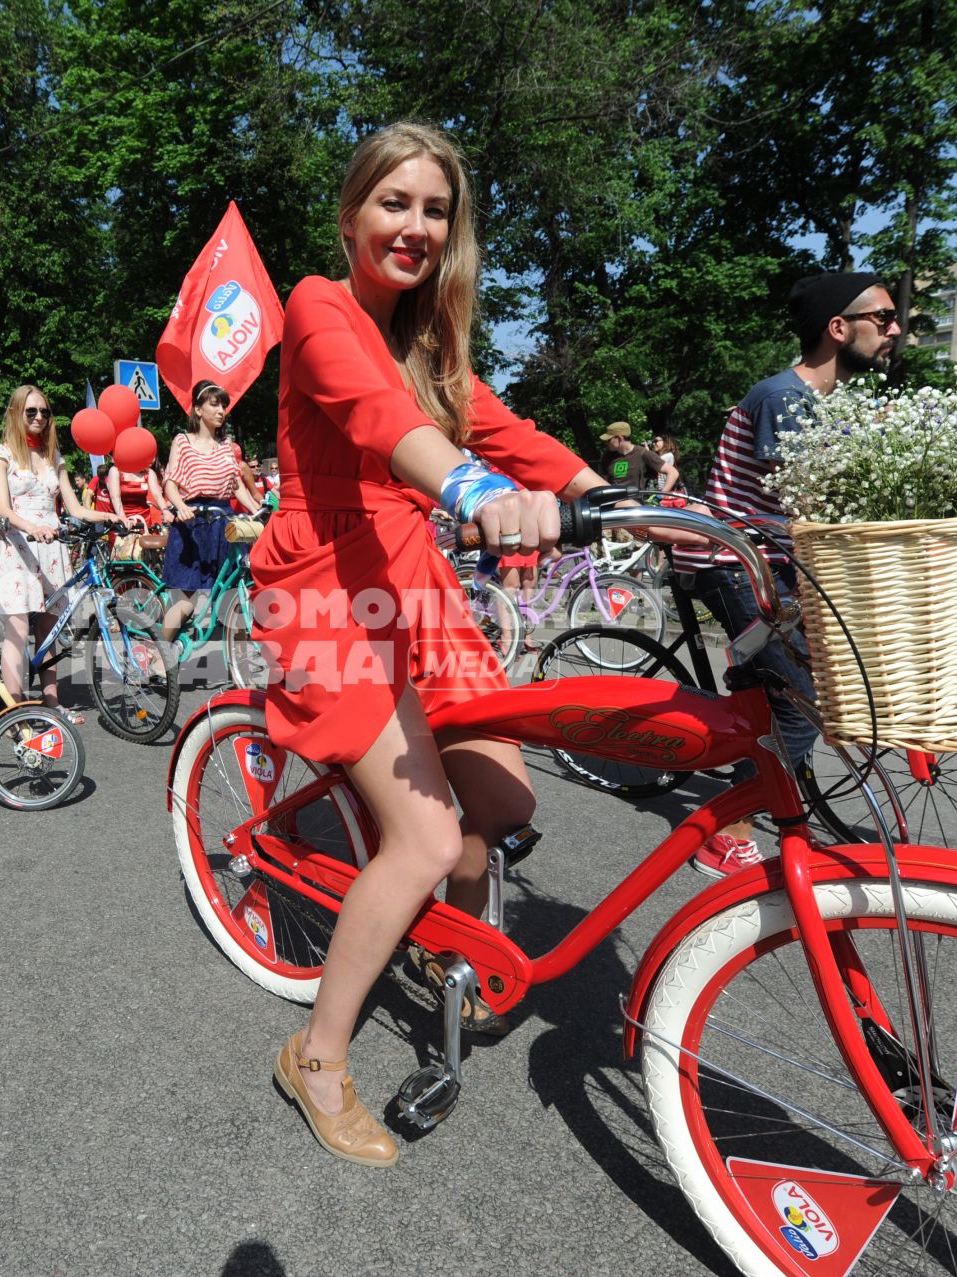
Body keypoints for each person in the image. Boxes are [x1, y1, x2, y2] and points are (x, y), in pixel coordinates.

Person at [250, 122, 602, 1166]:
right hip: (325, 597)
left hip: (417, 588)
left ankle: (439, 942)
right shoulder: (317, 305)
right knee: (432, 840)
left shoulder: (432, 344)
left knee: (503, 801)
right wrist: (472, 486)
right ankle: (316, 1054)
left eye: (434, 209)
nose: (413, 225)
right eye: (392, 202)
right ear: (353, 211)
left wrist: (608, 494)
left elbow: (501, 428)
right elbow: (373, 416)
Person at [672, 270, 900, 876]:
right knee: (801, 704)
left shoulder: (818, 402)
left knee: (775, 696)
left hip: (774, 565)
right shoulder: (784, 397)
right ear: (838, 327)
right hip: (738, 564)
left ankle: (765, 786)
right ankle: (726, 832)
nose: (894, 330)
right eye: (882, 318)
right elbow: (812, 493)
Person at [0, 384, 125, 718]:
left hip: (51, 547)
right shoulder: (1, 454)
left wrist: (113, 515)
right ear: (16, 413)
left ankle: (51, 702)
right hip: (18, 547)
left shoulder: (54, 457)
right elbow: (3, 508)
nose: (38, 417)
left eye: (44, 412)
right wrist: (31, 528)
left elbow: (75, 508)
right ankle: (15, 712)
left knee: (48, 631)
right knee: (16, 635)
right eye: (30, 411)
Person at [161, 380, 259, 643]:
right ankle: (156, 656)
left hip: (223, 522)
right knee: (186, 604)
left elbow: (236, 485)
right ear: (197, 409)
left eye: (223, 405)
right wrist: (180, 507)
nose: (221, 411)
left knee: (231, 596)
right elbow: (170, 482)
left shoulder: (227, 445)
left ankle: (237, 670)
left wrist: (256, 509)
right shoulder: (183, 441)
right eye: (214, 404)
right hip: (193, 521)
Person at [599, 421, 678, 493]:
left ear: (619, 438)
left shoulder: (643, 453)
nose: (606, 442)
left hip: (636, 505)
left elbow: (673, 472)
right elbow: (602, 483)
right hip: (613, 504)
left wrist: (662, 494)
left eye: (609, 439)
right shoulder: (607, 457)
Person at [103, 451, 167, 529]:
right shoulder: (115, 470)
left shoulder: (149, 473)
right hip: (121, 518)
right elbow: (115, 497)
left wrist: (165, 510)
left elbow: (158, 495)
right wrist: (123, 518)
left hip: (144, 520)